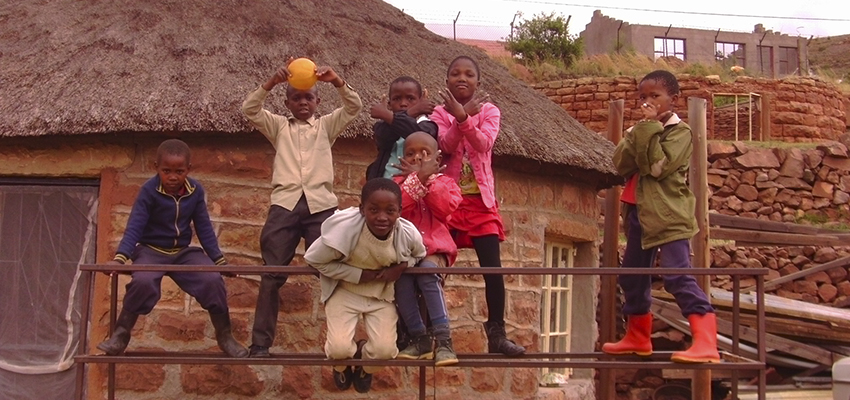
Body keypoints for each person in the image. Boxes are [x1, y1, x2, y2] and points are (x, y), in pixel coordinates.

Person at [241, 60, 362, 358]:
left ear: (317, 101)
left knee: (333, 273)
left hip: (321, 208)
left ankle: (345, 344)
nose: (303, 102)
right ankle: (260, 344)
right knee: (272, 273)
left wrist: (336, 80)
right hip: (284, 206)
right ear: (288, 102)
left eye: (308, 97)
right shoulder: (279, 127)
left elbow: (354, 107)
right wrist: (270, 82)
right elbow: (249, 110)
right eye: (296, 98)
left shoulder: (325, 126)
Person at [605, 70, 719, 363]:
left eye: (655, 96)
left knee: (677, 274)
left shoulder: (681, 133)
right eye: (643, 96)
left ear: (673, 99)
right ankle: (638, 337)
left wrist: (646, 131)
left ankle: (706, 341)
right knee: (631, 277)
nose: (648, 101)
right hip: (638, 213)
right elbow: (620, 164)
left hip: (669, 216)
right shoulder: (641, 129)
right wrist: (643, 131)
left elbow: (657, 168)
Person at [97, 139, 247, 358]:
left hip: (182, 253)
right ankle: (121, 334)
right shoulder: (149, 191)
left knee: (212, 280)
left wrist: (220, 261)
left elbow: (204, 227)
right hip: (151, 251)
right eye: (166, 171)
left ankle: (225, 336)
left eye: (179, 171)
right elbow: (135, 225)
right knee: (143, 281)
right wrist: (120, 259)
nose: (173, 177)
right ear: (156, 168)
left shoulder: (195, 191)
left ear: (188, 170)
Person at [431, 55, 525, 356]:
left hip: (480, 203)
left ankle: (497, 333)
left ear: (478, 82)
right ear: (446, 82)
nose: (462, 78)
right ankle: (434, 333)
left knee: (493, 270)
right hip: (447, 202)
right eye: (455, 73)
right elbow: (444, 145)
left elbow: (484, 143)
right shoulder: (438, 113)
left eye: (469, 74)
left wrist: (465, 118)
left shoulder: (490, 111)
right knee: (434, 268)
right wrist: (458, 117)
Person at [305, 178, 426, 393]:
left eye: (390, 211)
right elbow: (315, 259)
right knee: (338, 349)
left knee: (385, 351)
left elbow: (420, 255)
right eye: (373, 210)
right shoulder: (343, 230)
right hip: (345, 291)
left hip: (381, 295)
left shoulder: (407, 234)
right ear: (362, 209)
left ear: (399, 211)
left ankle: (365, 367)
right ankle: (341, 366)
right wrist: (357, 274)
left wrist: (402, 266)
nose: (382, 217)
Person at [392, 132, 461, 366]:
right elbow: (397, 208)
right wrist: (415, 180)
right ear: (402, 157)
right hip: (406, 252)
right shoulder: (396, 185)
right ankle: (419, 337)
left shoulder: (446, 183)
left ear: (437, 158)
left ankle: (443, 340)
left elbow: (444, 208)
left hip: (435, 249)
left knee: (427, 272)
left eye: (425, 154)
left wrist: (424, 179)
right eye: (410, 154)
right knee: (400, 279)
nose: (418, 158)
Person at [365, 76, 438, 180]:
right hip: (386, 185)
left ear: (421, 101)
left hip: (416, 186)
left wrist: (388, 115)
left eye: (410, 98)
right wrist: (411, 112)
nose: (403, 103)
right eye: (397, 99)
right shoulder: (384, 126)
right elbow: (383, 138)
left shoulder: (427, 125)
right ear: (389, 105)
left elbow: (417, 135)